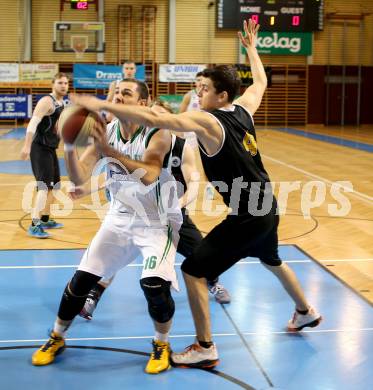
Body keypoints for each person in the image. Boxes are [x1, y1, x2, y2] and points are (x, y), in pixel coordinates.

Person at [69, 20, 322, 369]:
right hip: (268, 208)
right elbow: (260, 82)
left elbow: (164, 121)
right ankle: (305, 311)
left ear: (221, 96)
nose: (197, 93)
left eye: (203, 89)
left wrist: (103, 105)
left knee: (192, 271)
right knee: (272, 260)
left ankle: (205, 347)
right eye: (197, 87)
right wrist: (251, 50)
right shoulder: (244, 109)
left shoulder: (210, 121)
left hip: (246, 216)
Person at [31, 78, 183, 375]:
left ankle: (162, 343)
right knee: (79, 283)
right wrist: (71, 148)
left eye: (125, 93)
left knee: (153, 286)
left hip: (156, 221)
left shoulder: (158, 130)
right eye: (115, 92)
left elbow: (150, 174)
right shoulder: (107, 130)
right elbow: (78, 179)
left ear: (142, 103)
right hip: (120, 216)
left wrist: (107, 151)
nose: (117, 97)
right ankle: (56, 336)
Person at [77, 99, 231, 321]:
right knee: (113, 255)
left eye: (159, 116)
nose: (154, 121)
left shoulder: (181, 147)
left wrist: (180, 204)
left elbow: (195, 183)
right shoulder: (139, 144)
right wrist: (86, 188)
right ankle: (93, 295)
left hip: (171, 215)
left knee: (201, 254)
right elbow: (111, 173)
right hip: (136, 212)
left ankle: (214, 283)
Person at [20, 72, 69, 238]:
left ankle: (46, 219)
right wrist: (26, 146)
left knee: (55, 185)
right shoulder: (46, 101)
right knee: (43, 186)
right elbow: (33, 124)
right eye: (60, 83)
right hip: (39, 148)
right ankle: (34, 224)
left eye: (66, 83)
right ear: (53, 84)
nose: (64, 85)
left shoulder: (61, 103)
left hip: (50, 148)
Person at [178, 71, 203, 148]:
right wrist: (180, 131)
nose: (200, 82)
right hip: (189, 131)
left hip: (203, 130)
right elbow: (180, 115)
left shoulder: (208, 96)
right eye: (198, 80)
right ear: (195, 82)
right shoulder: (189, 96)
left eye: (202, 80)